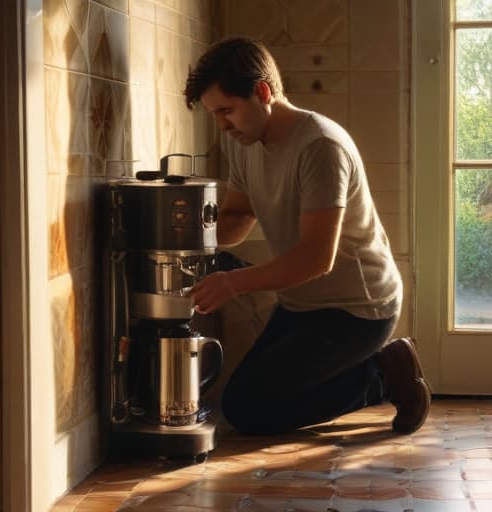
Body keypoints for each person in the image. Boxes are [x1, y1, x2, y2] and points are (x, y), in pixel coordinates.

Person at [183, 37, 430, 436]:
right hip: (302, 305)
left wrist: (233, 283)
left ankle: (382, 373)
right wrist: (187, 235)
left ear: (262, 92)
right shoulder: (246, 143)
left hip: (357, 310)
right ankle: (374, 370)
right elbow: (238, 216)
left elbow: (317, 258)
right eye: (215, 115)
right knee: (240, 402)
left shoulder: (320, 146)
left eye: (227, 111)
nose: (222, 126)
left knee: (249, 410)